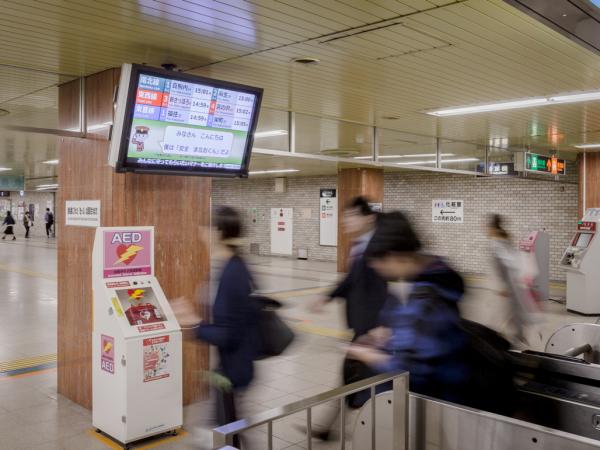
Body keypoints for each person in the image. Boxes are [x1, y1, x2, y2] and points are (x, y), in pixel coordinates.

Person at [347, 211, 471, 404]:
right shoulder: (437, 273)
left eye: (381, 265)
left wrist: (368, 355)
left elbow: (410, 369)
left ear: (396, 256)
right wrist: (390, 337)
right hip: (443, 391)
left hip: (437, 400)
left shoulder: (427, 299)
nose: (380, 272)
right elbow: (426, 340)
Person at [172, 207, 260, 449]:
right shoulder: (229, 265)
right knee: (229, 427)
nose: (201, 232)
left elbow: (228, 333)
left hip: (234, 369)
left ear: (217, 232)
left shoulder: (233, 273)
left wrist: (193, 325)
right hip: (228, 366)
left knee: (229, 432)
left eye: (205, 227)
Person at [308, 197, 387, 440]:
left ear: (368, 217)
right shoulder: (359, 245)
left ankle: (338, 426)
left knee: (355, 378)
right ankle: (331, 425)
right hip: (362, 327)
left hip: (371, 329)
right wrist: (327, 297)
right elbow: (351, 280)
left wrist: (374, 329)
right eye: (345, 216)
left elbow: (381, 291)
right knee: (350, 378)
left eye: (351, 215)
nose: (345, 221)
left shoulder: (377, 247)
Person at [486, 214, 537, 346]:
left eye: (486, 226)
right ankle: (518, 336)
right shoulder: (505, 239)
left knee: (503, 313)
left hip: (507, 284)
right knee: (513, 311)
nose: (485, 229)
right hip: (513, 282)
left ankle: (504, 340)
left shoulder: (496, 243)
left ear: (491, 227)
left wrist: (502, 285)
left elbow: (503, 265)